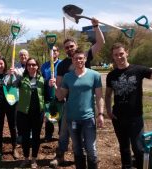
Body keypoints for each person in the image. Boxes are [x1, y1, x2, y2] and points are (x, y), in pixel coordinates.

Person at [50, 17, 105, 167]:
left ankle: (89, 159)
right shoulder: (62, 66)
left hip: (87, 106)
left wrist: (96, 26)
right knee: (63, 133)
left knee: (87, 142)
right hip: (70, 105)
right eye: (66, 47)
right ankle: (60, 155)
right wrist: (55, 86)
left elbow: (100, 43)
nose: (69, 49)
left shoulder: (85, 55)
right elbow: (61, 90)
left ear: (77, 46)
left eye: (71, 46)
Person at [105, 42, 152, 169]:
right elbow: (108, 95)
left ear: (127, 52)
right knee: (124, 148)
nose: (119, 57)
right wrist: (109, 110)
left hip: (135, 117)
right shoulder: (111, 75)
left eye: (121, 54)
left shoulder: (138, 70)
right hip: (118, 118)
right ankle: (126, 167)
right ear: (113, 57)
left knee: (138, 148)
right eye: (116, 55)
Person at [9, 57, 45, 169]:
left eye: (33, 64)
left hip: (38, 113)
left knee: (36, 137)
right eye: (29, 65)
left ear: (37, 66)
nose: (31, 66)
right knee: (25, 137)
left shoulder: (42, 79)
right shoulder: (21, 79)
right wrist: (11, 75)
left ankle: (34, 159)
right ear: (26, 67)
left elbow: (48, 94)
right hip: (24, 113)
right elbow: (11, 85)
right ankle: (26, 158)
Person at [40, 45, 62, 141]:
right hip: (49, 94)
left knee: (61, 116)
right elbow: (41, 80)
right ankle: (48, 135)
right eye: (51, 51)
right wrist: (47, 82)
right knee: (49, 116)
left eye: (55, 51)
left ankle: (62, 135)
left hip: (60, 94)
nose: (53, 53)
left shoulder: (62, 64)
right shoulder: (44, 66)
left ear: (58, 52)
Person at [13, 48, 29, 144]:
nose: (23, 56)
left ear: (28, 56)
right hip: (19, 96)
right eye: (21, 55)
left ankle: (29, 133)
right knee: (19, 117)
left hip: (29, 96)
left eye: (25, 55)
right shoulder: (15, 67)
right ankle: (20, 134)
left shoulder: (31, 65)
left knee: (29, 116)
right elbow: (14, 82)